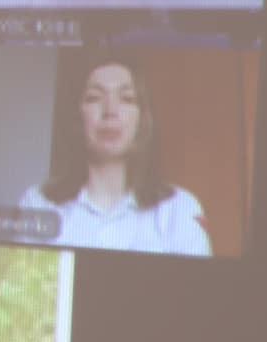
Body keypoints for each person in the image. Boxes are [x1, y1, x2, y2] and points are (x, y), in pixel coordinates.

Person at [18, 53, 212, 255]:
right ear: (77, 116)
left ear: (141, 118)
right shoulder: (38, 203)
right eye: (94, 98)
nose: (110, 111)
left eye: (126, 99)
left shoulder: (179, 209)